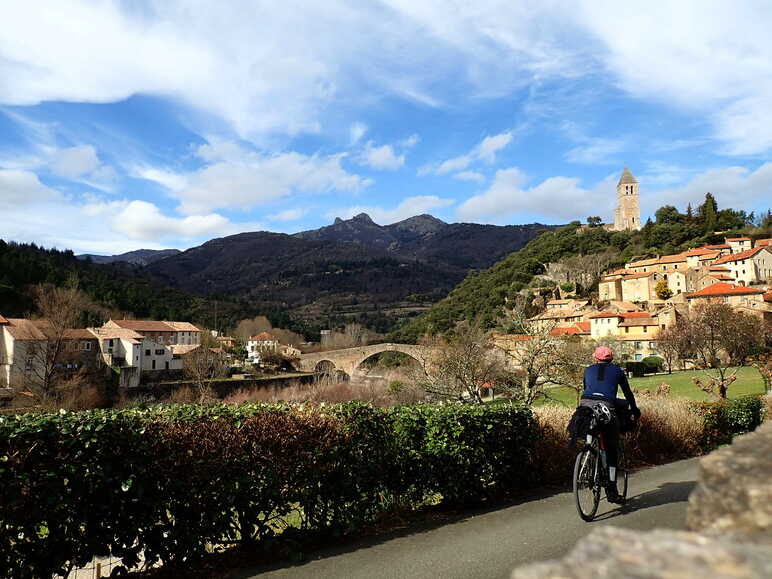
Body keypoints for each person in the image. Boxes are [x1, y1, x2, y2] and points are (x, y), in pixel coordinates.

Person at [580, 345, 640, 504]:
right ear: (611, 358)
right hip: (607, 407)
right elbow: (628, 393)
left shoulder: (587, 370)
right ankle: (612, 490)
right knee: (612, 448)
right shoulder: (618, 371)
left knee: (588, 425)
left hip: (585, 404)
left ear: (595, 357)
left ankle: (587, 447)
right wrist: (634, 410)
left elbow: (587, 389)